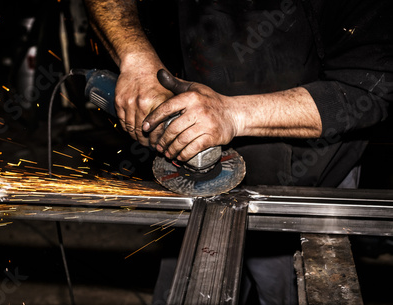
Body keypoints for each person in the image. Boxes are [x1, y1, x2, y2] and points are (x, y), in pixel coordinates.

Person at [84, 0, 393, 304]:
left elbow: (372, 87)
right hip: (199, 160)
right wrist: (134, 55)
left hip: (314, 165)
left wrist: (233, 115)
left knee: (281, 285)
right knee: (187, 283)